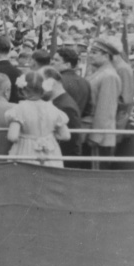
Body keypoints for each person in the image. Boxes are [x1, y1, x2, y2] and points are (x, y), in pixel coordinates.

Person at [4, 70, 70, 168]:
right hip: (49, 149)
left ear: (24, 89)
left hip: (25, 150)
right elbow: (65, 136)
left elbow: (12, 136)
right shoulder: (53, 109)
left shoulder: (18, 110)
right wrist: (49, 135)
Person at [84, 37, 123, 168]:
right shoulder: (99, 73)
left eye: (95, 52)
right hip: (91, 131)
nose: (90, 55)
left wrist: (96, 136)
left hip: (100, 138)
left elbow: (105, 110)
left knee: (95, 175)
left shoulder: (109, 76)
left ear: (106, 55)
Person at [38, 66, 82, 167]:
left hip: (63, 161)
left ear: (51, 82)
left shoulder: (64, 106)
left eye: (40, 82)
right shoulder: (60, 102)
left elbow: (70, 142)